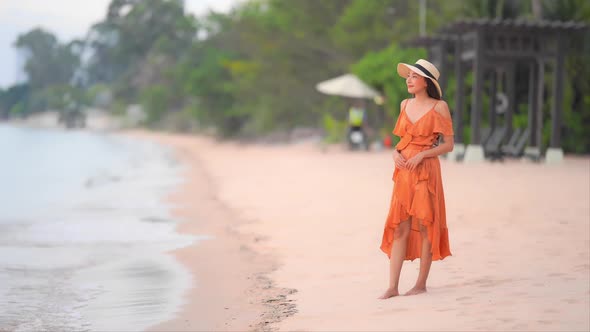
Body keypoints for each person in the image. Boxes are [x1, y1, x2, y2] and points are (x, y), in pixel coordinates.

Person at [378, 59, 454, 299]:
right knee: (399, 228)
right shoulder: (404, 104)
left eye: (414, 76)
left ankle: (421, 284)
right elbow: (402, 141)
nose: (409, 80)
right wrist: (394, 153)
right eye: (408, 76)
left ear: (426, 82)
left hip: (426, 171)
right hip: (404, 173)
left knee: (424, 226)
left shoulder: (439, 107)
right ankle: (392, 287)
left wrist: (423, 155)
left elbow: (449, 145)